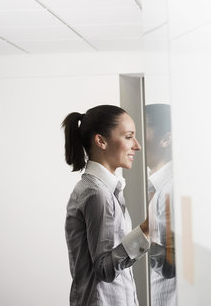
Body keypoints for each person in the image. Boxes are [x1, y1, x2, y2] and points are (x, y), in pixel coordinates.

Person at [62, 105, 150, 306]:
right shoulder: (97, 194)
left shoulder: (106, 190)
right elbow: (104, 269)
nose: (137, 145)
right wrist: (146, 229)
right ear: (101, 141)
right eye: (128, 137)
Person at [145, 103, 177, 306]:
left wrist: (131, 241)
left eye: (141, 129)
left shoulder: (171, 190)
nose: (132, 142)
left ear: (166, 139)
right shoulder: (150, 185)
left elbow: (171, 263)